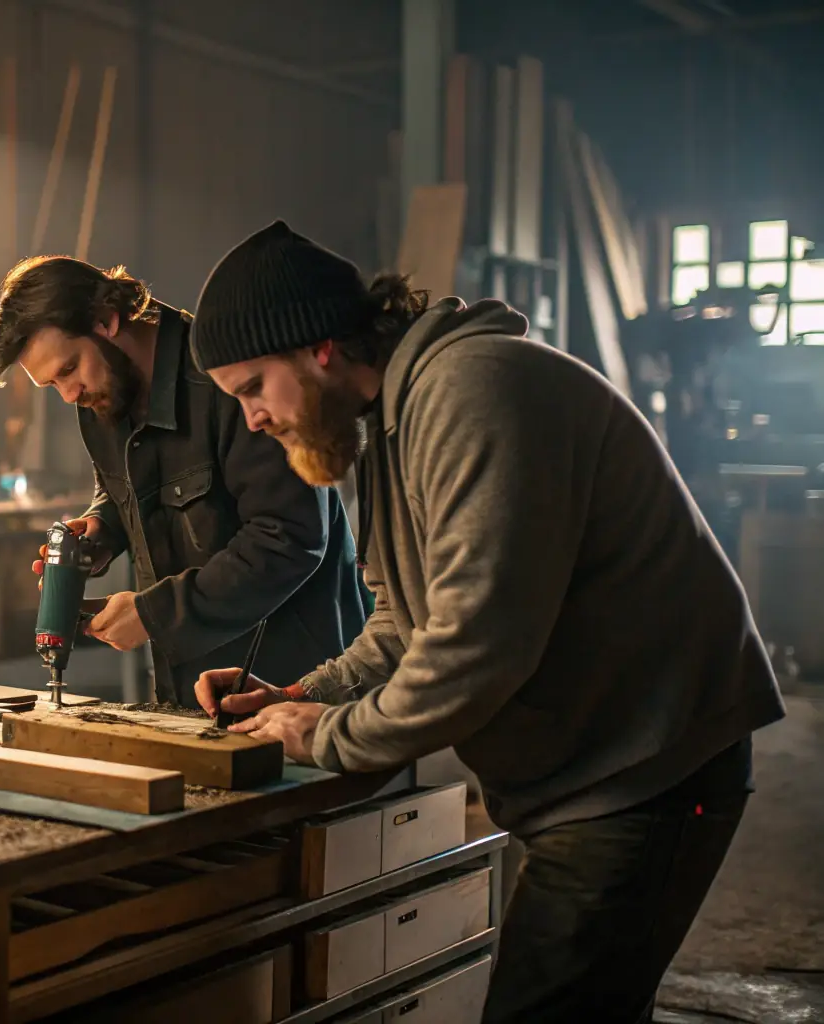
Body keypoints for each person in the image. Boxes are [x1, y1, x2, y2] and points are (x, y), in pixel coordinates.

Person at [187, 221, 785, 1023]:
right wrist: (297, 693)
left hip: (646, 764)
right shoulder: (388, 424)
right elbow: (403, 620)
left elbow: (474, 648)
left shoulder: (471, 391)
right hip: (584, 766)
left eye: (251, 386)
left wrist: (322, 734)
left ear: (318, 348)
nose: (251, 418)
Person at [0, 255, 367, 708]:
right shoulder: (102, 393)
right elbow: (123, 486)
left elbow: (290, 537)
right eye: (52, 385)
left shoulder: (227, 378)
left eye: (68, 370)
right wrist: (103, 527)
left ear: (106, 319)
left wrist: (155, 614)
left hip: (293, 685)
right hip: (185, 689)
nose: (69, 395)